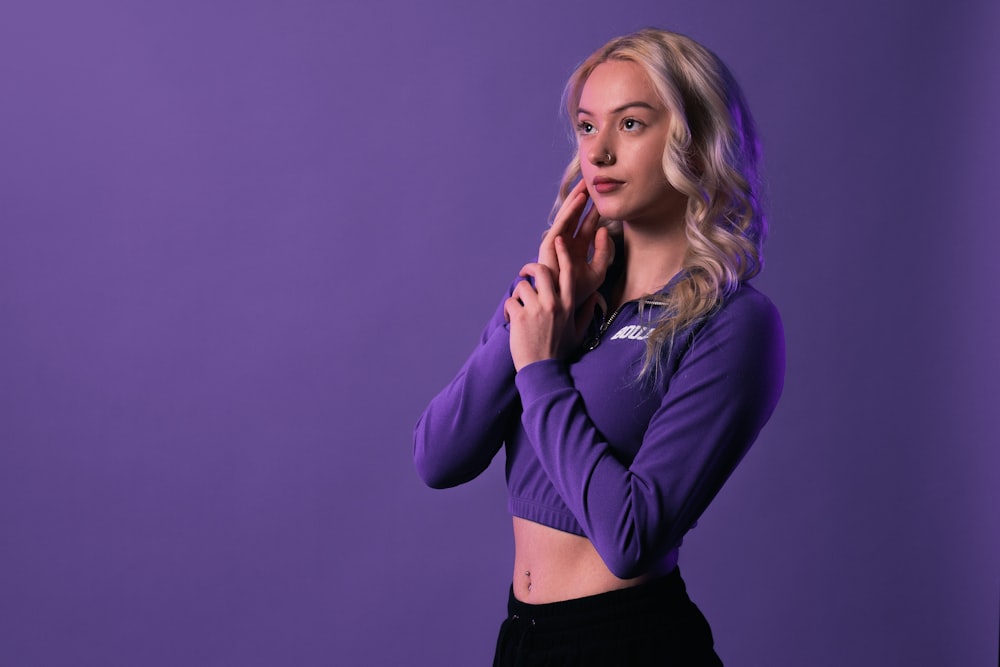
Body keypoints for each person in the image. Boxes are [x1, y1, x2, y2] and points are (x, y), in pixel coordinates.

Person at [413, 28, 784, 666]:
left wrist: (540, 369)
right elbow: (438, 458)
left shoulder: (733, 323)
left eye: (631, 124)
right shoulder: (555, 297)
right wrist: (533, 313)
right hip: (523, 638)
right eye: (587, 127)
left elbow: (632, 536)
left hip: (627, 642)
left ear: (691, 138)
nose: (600, 153)